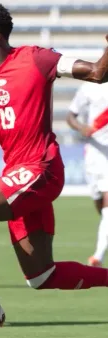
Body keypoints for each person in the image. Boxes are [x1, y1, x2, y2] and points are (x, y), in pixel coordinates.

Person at [0, 2, 108, 336]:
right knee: (41, 277)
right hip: (17, 176)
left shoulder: (36, 58)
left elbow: (96, 73)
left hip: (43, 168)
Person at [67, 82, 108, 267]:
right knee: (100, 205)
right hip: (94, 154)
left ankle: (98, 256)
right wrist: (81, 127)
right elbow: (70, 116)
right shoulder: (89, 87)